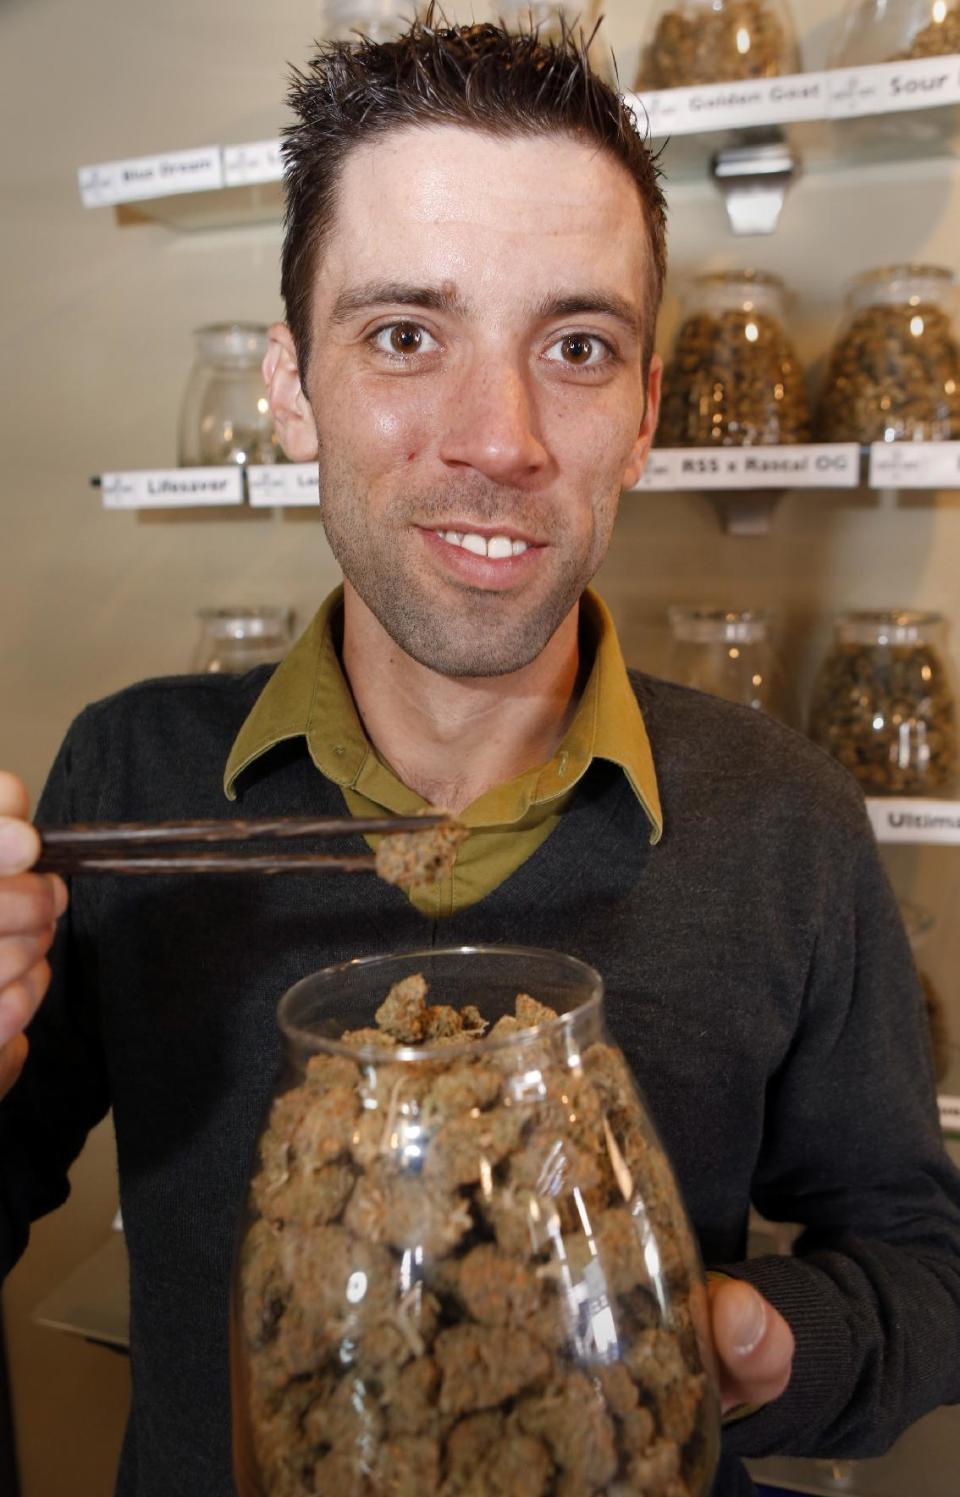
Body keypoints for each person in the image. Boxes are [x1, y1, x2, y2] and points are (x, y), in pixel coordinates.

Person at [1, 16, 958, 1497]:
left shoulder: (785, 819)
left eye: (575, 347)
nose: (499, 437)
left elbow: (922, 1256)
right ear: (290, 387)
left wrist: (769, 1342)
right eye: (404, 334)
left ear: (643, 413)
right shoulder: (125, 781)